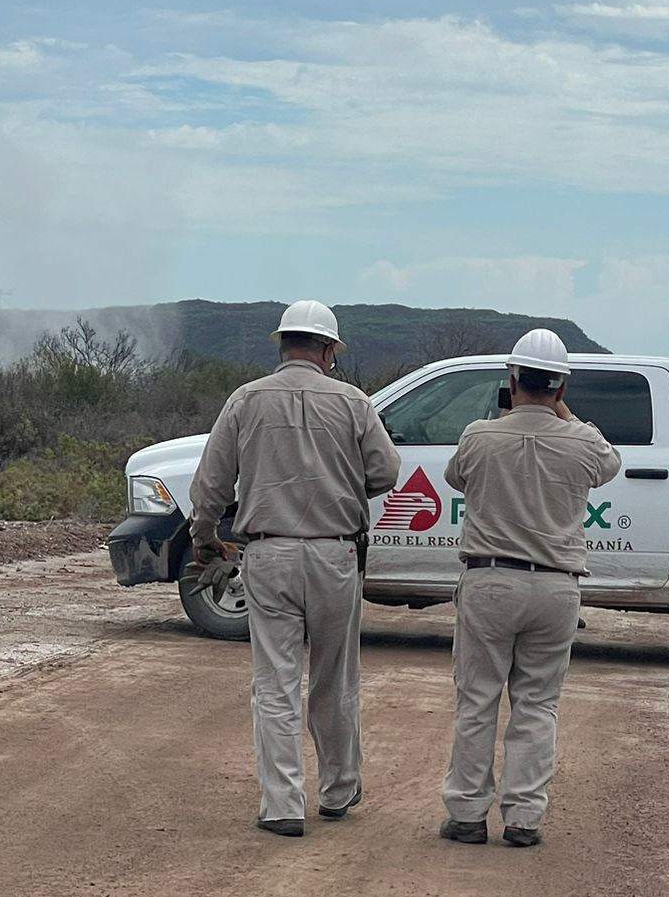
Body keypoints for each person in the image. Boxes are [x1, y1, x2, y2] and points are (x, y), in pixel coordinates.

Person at [189, 300, 401, 837]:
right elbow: (385, 471)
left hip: (268, 554)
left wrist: (205, 539)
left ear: (282, 345)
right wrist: (343, 484)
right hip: (335, 554)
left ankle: (282, 804)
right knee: (335, 677)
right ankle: (338, 788)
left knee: (275, 683)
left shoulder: (245, 400)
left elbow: (210, 485)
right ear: (329, 351)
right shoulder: (353, 402)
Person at [439, 329, 622, 848]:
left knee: (477, 700)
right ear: (562, 386)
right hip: (556, 587)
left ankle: (468, 814)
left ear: (511, 379)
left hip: (490, 579)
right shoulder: (583, 442)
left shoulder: (478, 435)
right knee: (538, 705)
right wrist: (566, 416)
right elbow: (609, 464)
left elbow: (457, 479)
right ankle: (524, 817)